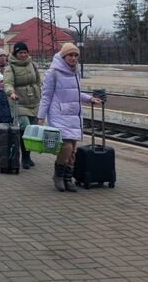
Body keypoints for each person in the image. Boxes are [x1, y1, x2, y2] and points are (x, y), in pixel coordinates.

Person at [38, 43, 102, 192]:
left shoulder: (75, 72)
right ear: (63, 56)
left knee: (73, 150)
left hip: (74, 115)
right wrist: (41, 117)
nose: (73, 58)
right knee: (66, 147)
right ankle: (58, 175)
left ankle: (68, 178)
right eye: (70, 55)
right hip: (58, 114)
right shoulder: (53, 73)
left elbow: (75, 93)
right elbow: (46, 96)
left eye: (75, 55)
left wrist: (90, 99)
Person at [4, 42, 42, 169]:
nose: (24, 55)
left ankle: (28, 155)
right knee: (25, 128)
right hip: (18, 102)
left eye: (25, 52)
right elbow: (8, 83)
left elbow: (38, 80)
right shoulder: (10, 67)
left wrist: (39, 90)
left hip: (33, 101)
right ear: (16, 53)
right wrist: (11, 92)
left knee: (32, 130)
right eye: (21, 53)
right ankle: (24, 157)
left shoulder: (32, 64)